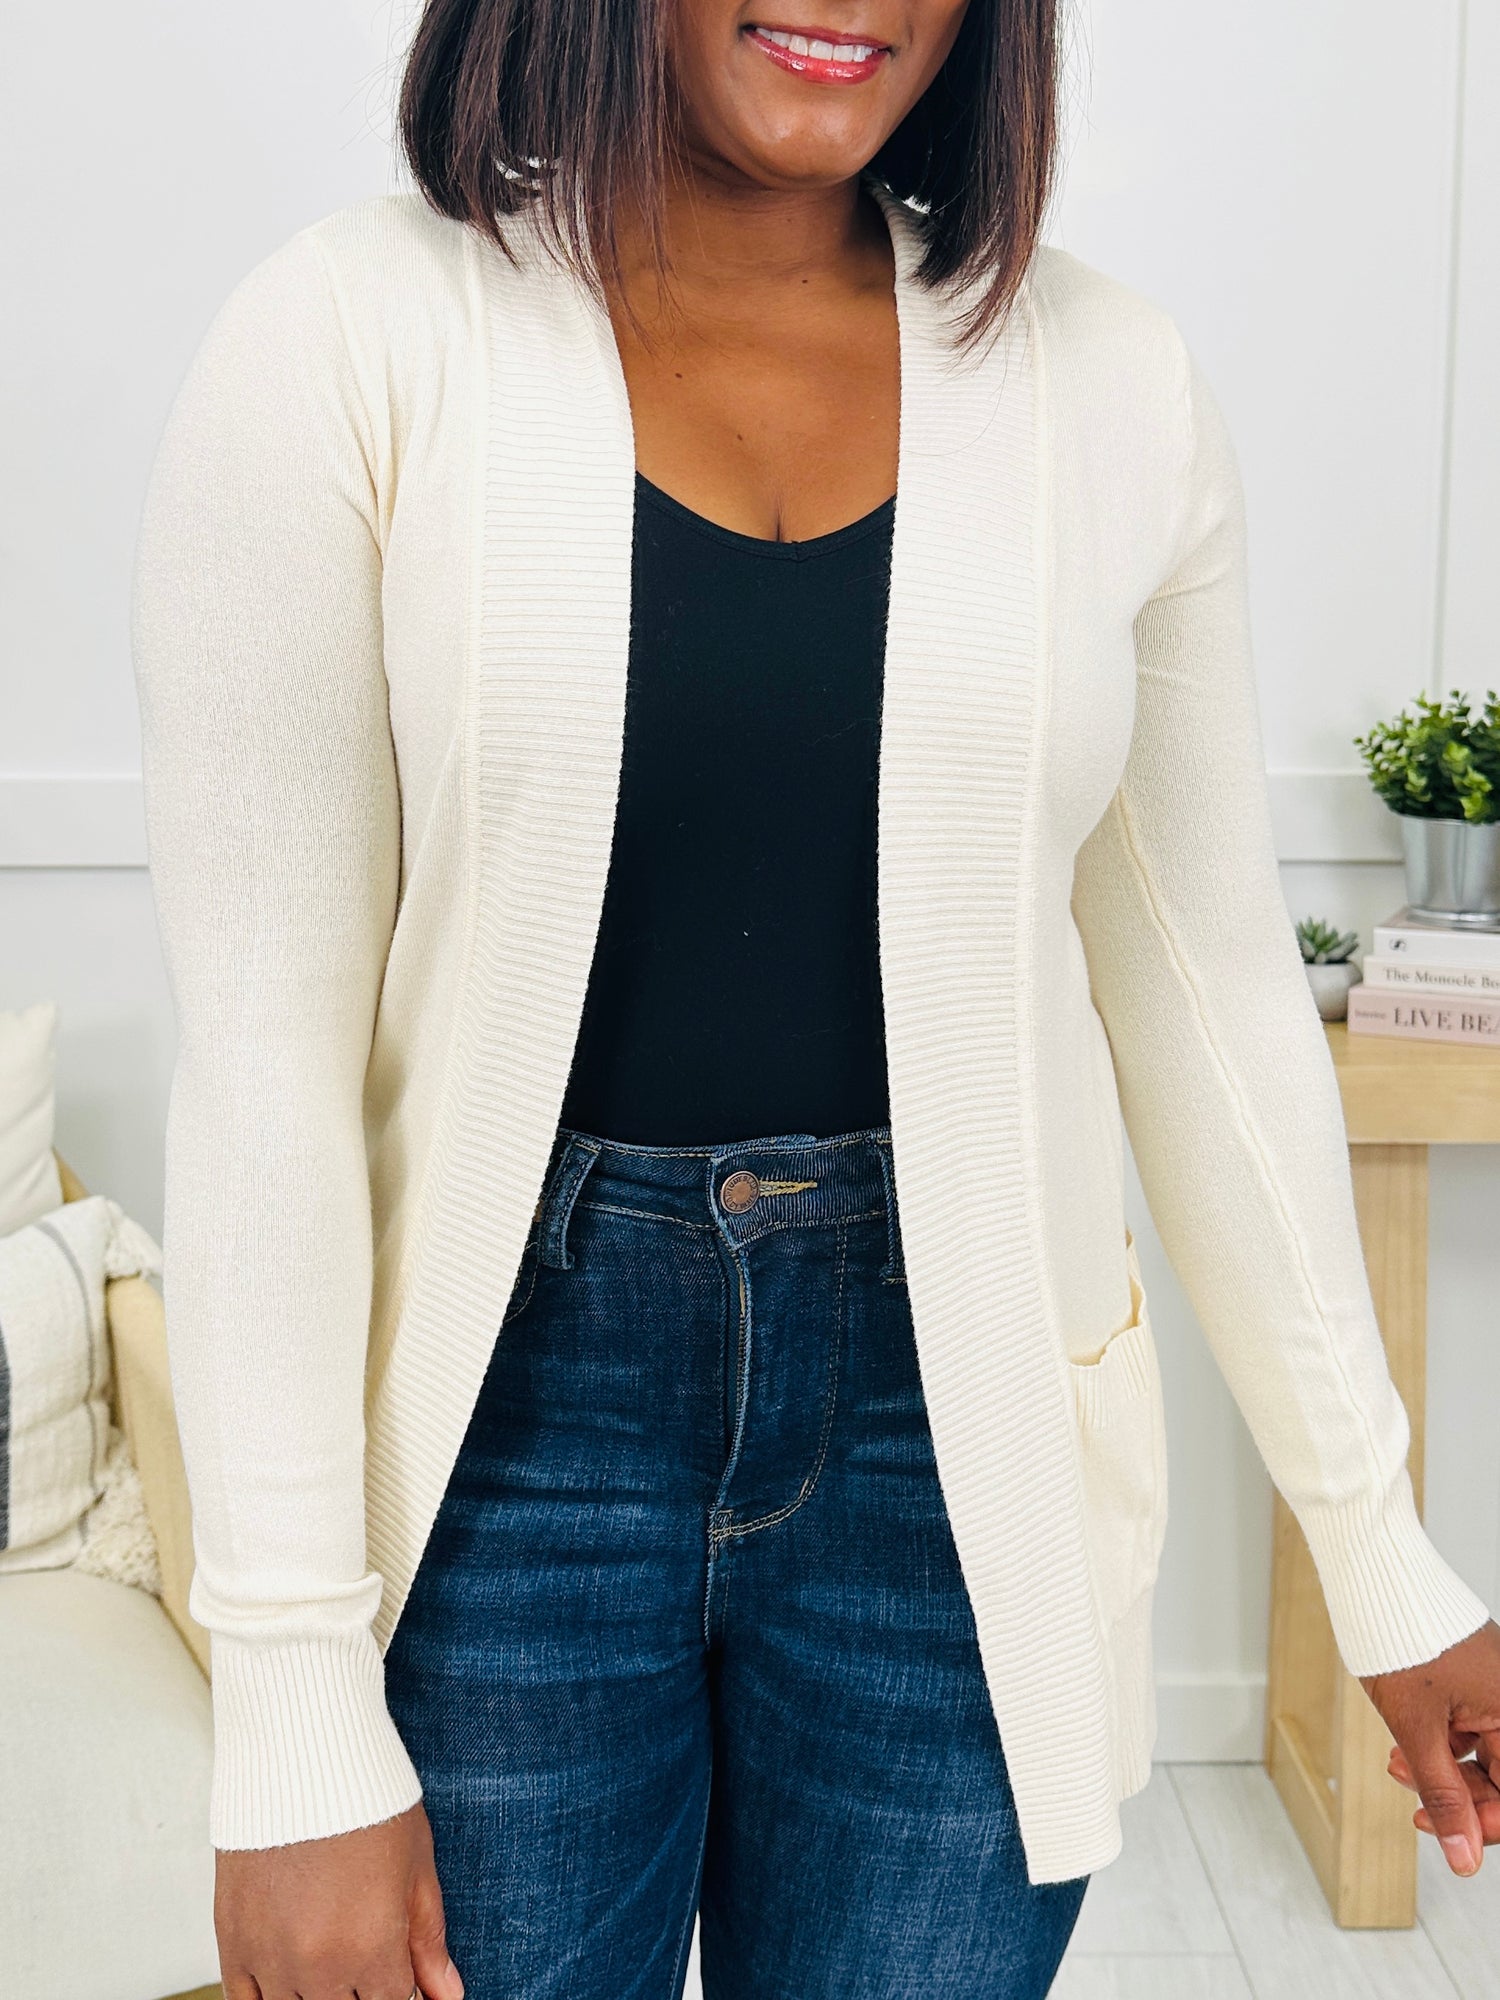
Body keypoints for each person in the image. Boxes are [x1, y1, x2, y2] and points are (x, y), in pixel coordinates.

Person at [130, 0, 1500, 1994]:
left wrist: (1379, 1546)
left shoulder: (1112, 386)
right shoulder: (345, 337)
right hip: (500, 1455)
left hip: (962, 1455)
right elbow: (264, 1059)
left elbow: (1205, 991)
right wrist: (286, 1703)